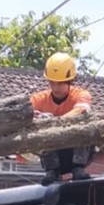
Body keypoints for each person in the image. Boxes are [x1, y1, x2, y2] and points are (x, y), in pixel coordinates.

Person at [30, 51, 93, 184]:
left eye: (59, 83)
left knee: (86, 121)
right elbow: (26, 112)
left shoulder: (81, 94)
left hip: (76, 153)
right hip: (52, 155)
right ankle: (52, 171)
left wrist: (58, 121)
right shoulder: (39, 99)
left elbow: (82, 109)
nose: (55, 87)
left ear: (69, 81)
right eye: (52, 83)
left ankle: (78, 168)